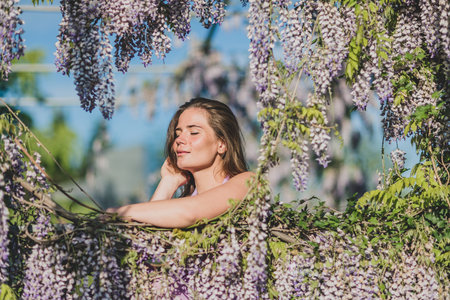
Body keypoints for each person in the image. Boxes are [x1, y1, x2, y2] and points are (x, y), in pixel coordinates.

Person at [106, 97, 253, 228]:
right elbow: (147, 233)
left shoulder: (248, 182)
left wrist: (121, 212)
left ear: (221, 144)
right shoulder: (182, 204)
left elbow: (191, 213)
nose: (179, 140)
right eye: (177, 134)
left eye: (194, 132)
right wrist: (169, 182)